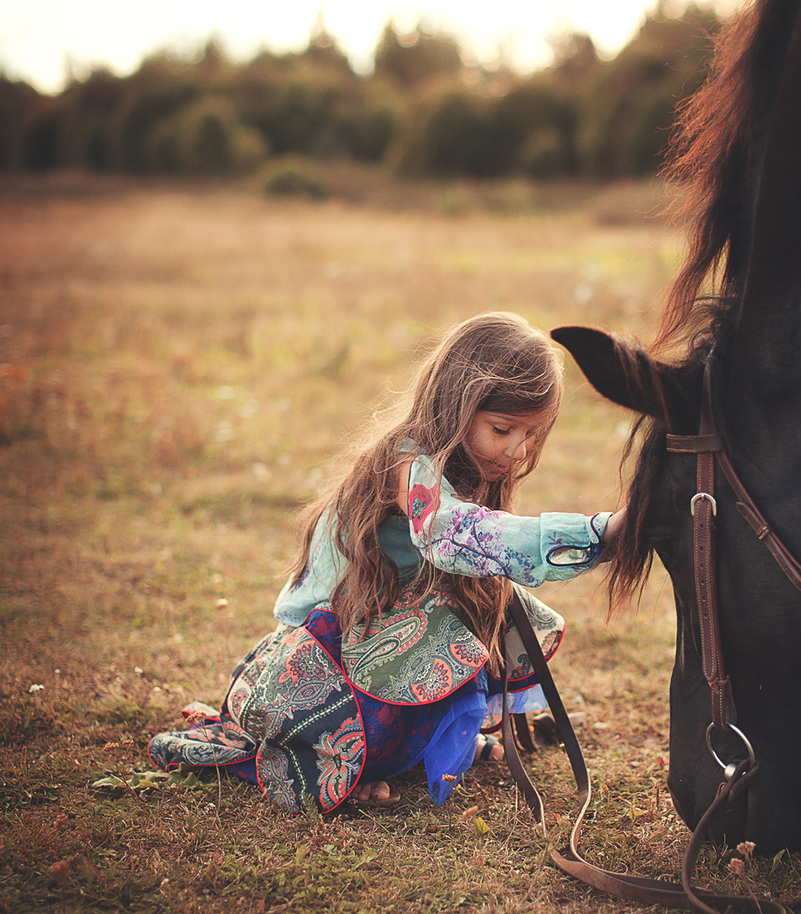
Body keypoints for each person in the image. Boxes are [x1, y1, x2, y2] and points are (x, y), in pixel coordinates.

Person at [149, 313, 623, 813]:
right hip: (322, 655)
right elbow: (450, 535)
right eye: (503, 428)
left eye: (530, 434)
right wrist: (595, 533)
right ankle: (356, 760)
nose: (517, 449)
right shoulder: (408, 463)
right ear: (457, 404)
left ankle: (410, 750)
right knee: (456, 590)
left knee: (484, 596)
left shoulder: (469, 464)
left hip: (378, 634)